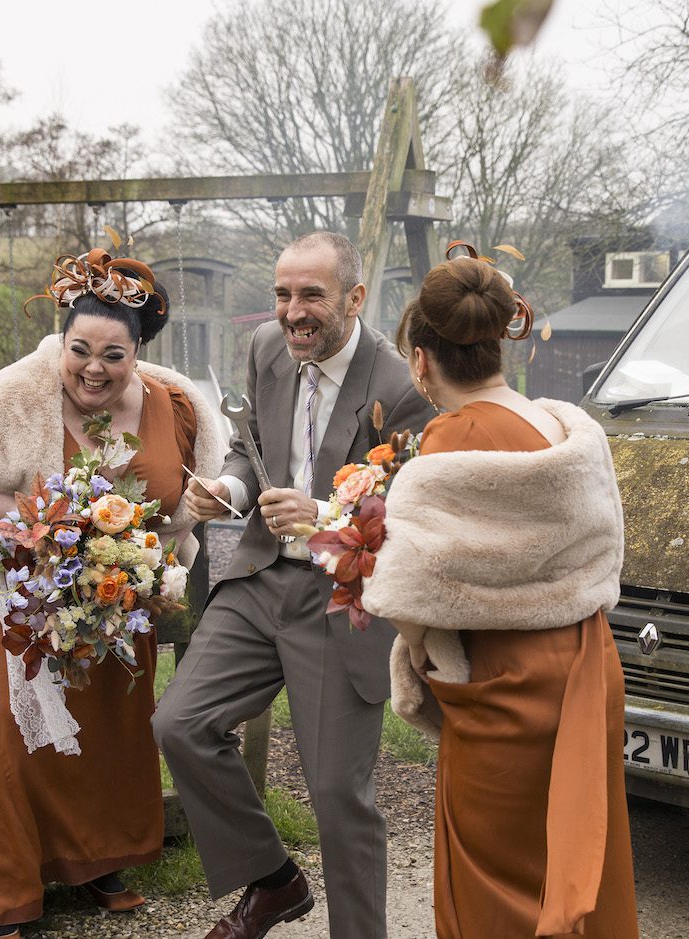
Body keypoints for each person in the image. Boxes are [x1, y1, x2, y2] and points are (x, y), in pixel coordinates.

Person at [0, 249, 226, 939]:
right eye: (79, 349)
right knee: (11, 730)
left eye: (113, 354)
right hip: (12, 584)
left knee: (111, 728)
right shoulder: (20, 392)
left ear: (137, 351)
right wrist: (19, 518)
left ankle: (95, 860)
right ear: (60, 344)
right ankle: (6, 893)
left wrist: (151, 555)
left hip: (116, 585)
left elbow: (192, 493)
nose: (94, 367)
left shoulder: (173, 404)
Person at [154, 231, 436, 939]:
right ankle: (275, 881)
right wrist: (228, 489)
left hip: (340, 598)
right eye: (282, 294)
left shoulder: (400, 388)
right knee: (180, 724)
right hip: (258, 580)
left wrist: (326, 513)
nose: (292, 312)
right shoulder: (267, 352)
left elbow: (411, 508)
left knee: (339, 794)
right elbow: (256, 456)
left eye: (311, 294)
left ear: (354, 297)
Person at [359, 255, 640, 938]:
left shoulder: (453, 438)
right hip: (583, 663)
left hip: (504, 675)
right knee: (577, 851)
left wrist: (422, 652)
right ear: (498, 340)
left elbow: (409, 592)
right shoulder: (563, 429)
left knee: (496, 879)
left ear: (421, 359)